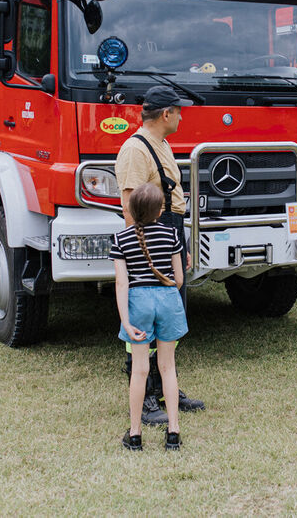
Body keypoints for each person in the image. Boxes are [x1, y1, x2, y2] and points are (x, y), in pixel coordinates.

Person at [115, 85, 205, 425]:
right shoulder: (135, 150)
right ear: (166, 114)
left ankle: (167, 389)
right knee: (144, 320)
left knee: (169, 314)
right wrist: (147, 256)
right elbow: (129, 206)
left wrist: (178, 248)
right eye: (179, 111)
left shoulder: (161, 144)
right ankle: (148, 394)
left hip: (170, 230)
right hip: (150, 239)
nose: (182, 116)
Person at [112, 183, 187, 451]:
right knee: (167, 367)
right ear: (160, 211)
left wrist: (126, 320)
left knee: (140, 370)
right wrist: (165, 294)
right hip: (167, 299)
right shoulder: (172, 234)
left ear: (131, 209)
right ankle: (174, 433)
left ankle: (135, 434)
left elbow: (122, 284)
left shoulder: (120, 239)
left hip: (138, 302)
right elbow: (179, 278)